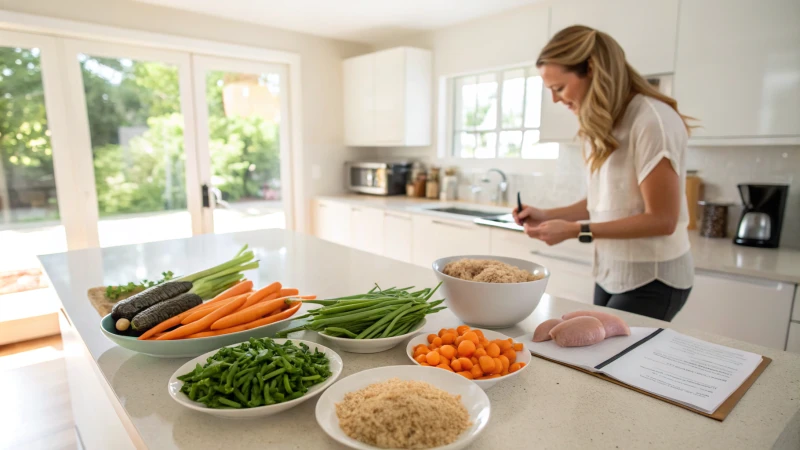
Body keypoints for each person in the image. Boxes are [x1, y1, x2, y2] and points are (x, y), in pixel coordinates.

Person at [513, 25, 694, 321]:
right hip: (610, 271)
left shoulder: (652, 120)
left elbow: (662, 220)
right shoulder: (601, 123)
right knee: (598, 361)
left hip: (654, 278)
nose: (556, 100)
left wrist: (575, 230)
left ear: (593, 70)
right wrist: (547, 214)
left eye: (559, 88)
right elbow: (604, 203)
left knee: (606, 362)